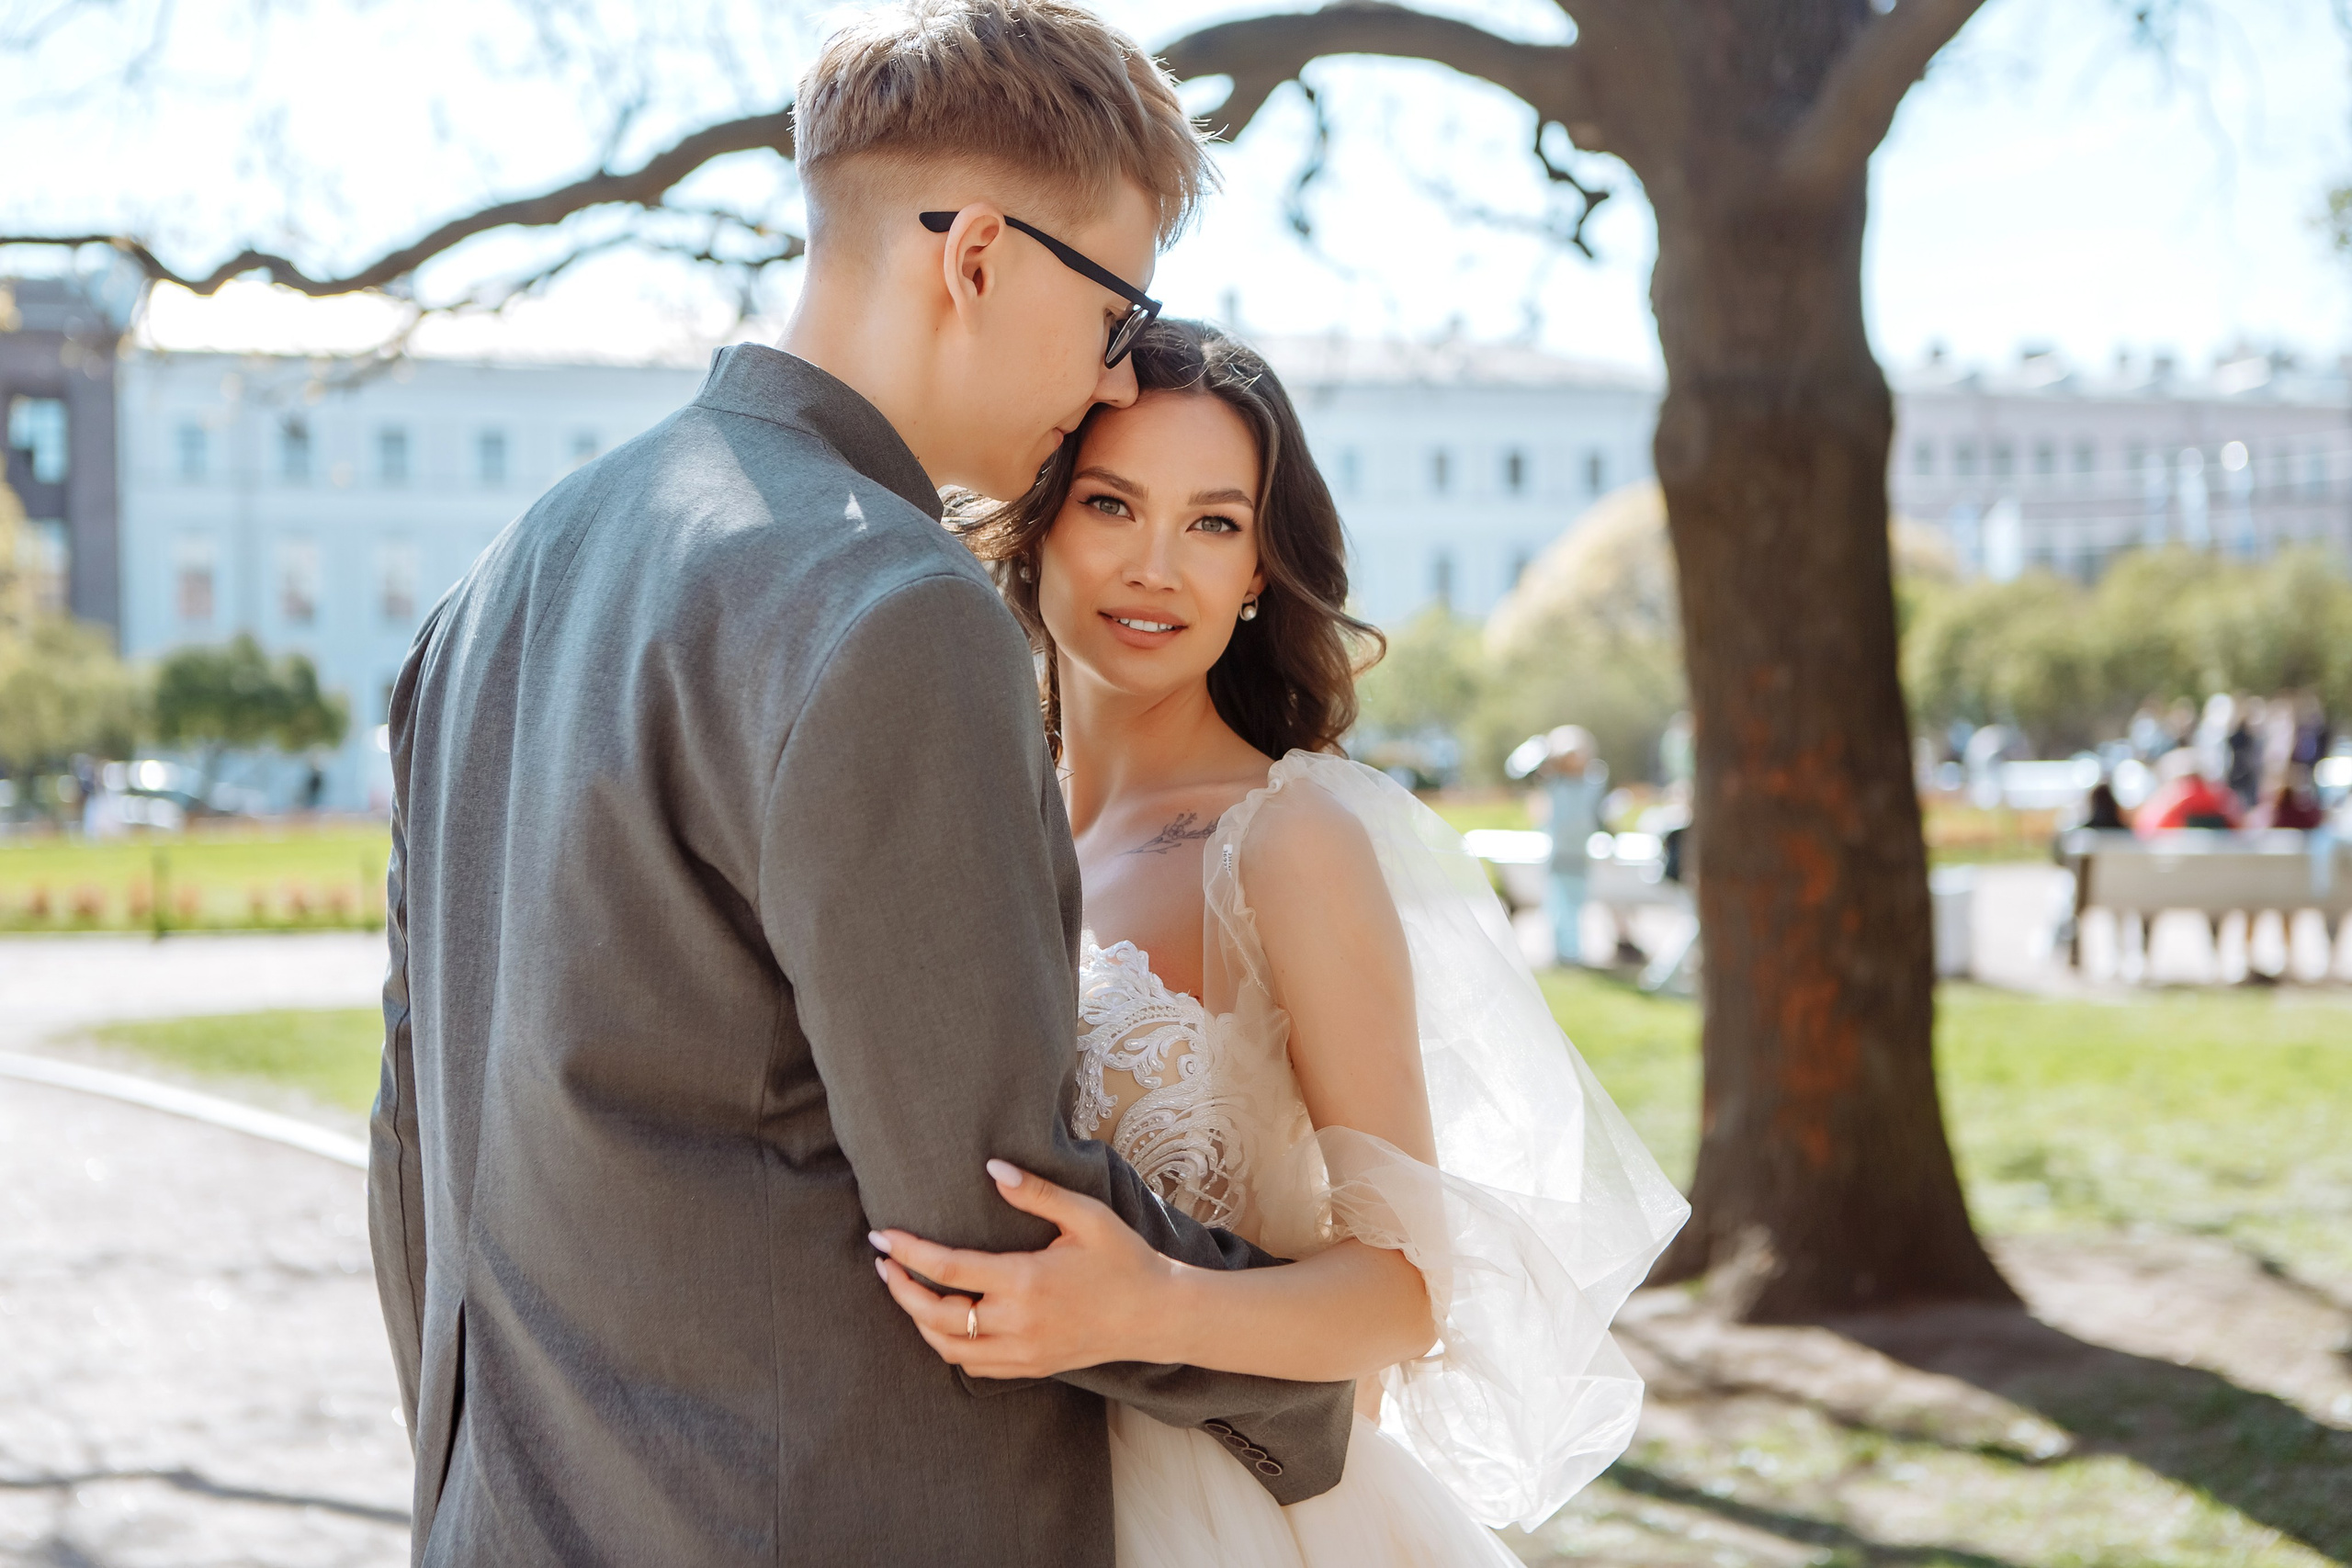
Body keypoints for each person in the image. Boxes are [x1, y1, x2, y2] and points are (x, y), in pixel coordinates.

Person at [365, 6, 1357, 1564]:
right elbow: (991, 1216)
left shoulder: (495, 585)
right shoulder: (896, 605)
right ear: (979, 256)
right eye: (1115, 313)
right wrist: (1312, 1387)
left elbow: (414, 1161)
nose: (1114, 381)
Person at [875, 321, 1688, 1564]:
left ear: (1259, 570)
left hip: (1225, 1516)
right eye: (1111, 504)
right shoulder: (976, 824)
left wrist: (1148, 1304)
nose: (1156, 566)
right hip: (981, 1493)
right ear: (1034, 524)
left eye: (1213, 523)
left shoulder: (1287, 838)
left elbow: (1408, 1293)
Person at [2134, 748, 2243, 836]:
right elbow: (2147, 833)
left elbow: (2240, 830)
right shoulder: (2165, 802)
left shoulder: (2219, 797)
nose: (2190, 789)